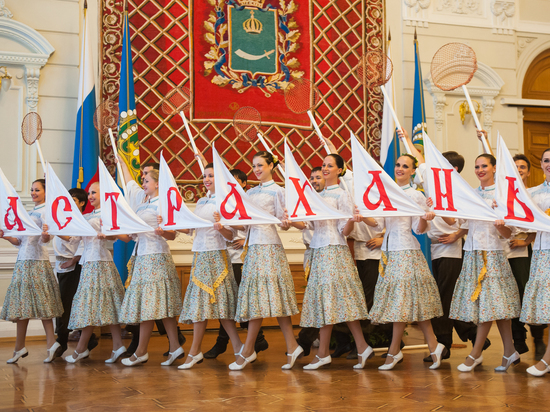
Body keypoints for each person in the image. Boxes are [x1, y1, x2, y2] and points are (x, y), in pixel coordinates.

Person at [366, 134, 445, 370]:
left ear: (413, 171)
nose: (400, 168)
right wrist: (359, 215)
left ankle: (397, 351)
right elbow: (378, 225)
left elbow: (419, 230)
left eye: (405, 166)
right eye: (398, 165)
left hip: (407, 253)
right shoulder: (387, 193)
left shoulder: (416, 195)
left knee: (408, 304)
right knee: (403, 305)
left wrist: (425, 218)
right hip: (389, 254)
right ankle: (431, 346)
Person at [289, 153, 375, 370]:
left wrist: (351, 222)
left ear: (339, 170)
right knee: (329, 304)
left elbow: (344, 230)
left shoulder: (342, 195)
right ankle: (360, 347)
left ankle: (325, 353)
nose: (325, 168)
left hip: (335, 251)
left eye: (330, 165)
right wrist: (291, 221)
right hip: (318, 252)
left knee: (334, 303)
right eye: (324, 165)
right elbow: (308, 225)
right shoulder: (315, 195)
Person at [449, 142, 521, 372]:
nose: (480, 170)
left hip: (493, 255)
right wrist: (437, 207)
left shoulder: (502, 195)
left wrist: (498, 224)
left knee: (490, 307)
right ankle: (509, 351)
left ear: (494, 168)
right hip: (472, 254)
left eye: (484, 166)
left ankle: (475, 353)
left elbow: (508, 233)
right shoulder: (470, 194)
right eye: (477, 166)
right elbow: (458, 222)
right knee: (495, 307)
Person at [231, 151, 301, 370]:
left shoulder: (279, 192)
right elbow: (244, 225)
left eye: (261, 165)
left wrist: (287, 222)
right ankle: (291, 346)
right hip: (253, 249)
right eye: (254, 166)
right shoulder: (249, 192)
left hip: (269, 248)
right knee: (260, 301)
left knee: (268, 300)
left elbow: (284, 222)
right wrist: (228, 220)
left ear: (271, 166)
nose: (257, 170)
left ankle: (248, 350)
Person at [176, 162, 243, 369]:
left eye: (211, 176)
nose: (206, 179)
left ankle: (239, 348)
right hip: (200, 256)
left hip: (217, 256)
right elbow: (190, 229)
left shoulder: (226, 201)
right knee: (199, 307)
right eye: (205, 176)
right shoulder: (202, 201)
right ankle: (195, 351)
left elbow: (232, 234)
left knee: (222, 307)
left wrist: (221, 226)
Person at [51, 182, 126, 363]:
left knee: (95, 305)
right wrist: (54, 229)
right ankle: (117, 346)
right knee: (102, 305)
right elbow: (73, 238)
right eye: (89, 193)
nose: (90, 195)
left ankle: (81, 349)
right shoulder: (88, 216)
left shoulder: (107, 214)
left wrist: (105, 235)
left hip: (101, 262)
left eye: (94, 192)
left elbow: (117, 235)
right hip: (89, 263)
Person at [117, 166, 183, 366]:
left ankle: (141, 352)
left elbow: (172, 234)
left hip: (156, 257)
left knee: (149, 307)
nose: (143, 183)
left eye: (146, 181)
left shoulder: (162, 204)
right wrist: (113, 229)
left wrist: (162, 231)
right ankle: (175, 346)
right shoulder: (141, 205)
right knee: (162, 307)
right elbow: (130, 237)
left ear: (157, 184)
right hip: (142, 257)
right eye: (143, 181)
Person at [424, 151, 487, 362]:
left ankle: (444, 344)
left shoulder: (460, 191)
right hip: (436, 249)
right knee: (447, 296)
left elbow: (463, 221)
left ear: (454, 169)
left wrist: (456, 235)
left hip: (451, 250)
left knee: (445, 296)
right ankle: (472, 332)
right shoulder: (435, 185)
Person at [204, 168, 268, 359]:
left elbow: (253, 225)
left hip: (241, 259)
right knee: (230, 303)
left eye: (235, 181)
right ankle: (254, 340)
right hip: (224, 257)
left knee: (240, 302)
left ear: (243, 184)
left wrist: (245, 240)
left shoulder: (244, 199)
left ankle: (246, 340)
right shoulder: (223, 200)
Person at [0, 179, 63, 363]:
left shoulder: (46, 211)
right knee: (22, 305)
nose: (33, 192)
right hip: (23, 260)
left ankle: (51, 343)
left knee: (43, 303)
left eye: (37, 189)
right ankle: (19, 347)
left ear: (45, 192)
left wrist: (45, 235)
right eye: (32, 190)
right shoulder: (28, 212)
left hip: (37, 260)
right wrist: (5, 237)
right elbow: (19, 241)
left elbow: (46, 238)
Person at [53, 188, 100, 356]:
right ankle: (87, 337)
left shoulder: (82, 220)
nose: (69, 202)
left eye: (73, 200)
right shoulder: (63, 218)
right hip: (61, 264)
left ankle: (62, 339)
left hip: (75, 264)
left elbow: (80, 241)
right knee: (64, 301)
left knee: (68, 302)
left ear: (81, 203)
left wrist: (74, 260)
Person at [508, 154, 546, 359]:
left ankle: (538, 338)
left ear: (529, 171)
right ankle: (518, 339)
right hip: (502, 249)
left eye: (522, 167)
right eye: (515, 167)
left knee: (526, 293)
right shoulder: (503, 192)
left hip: (523, 249)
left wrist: (526, 241)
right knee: (510, 296)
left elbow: (537, 221)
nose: (519, 169)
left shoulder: (532, 194)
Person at [521, 148, 550, 376]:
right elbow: (523, 222)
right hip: (542, 254)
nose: (549, 163)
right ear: (540, 164)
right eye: (546, 160)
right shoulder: (532, 193)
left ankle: (546, 360)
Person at [296, 167, 324, 356]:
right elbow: (304, 224)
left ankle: (305, 340)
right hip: (310, 253)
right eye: (312, 178)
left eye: (318, 177)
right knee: (315, 297)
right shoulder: (309, 201)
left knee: (319, 298)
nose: (314, 181)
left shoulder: (327, 201)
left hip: (324, 252)